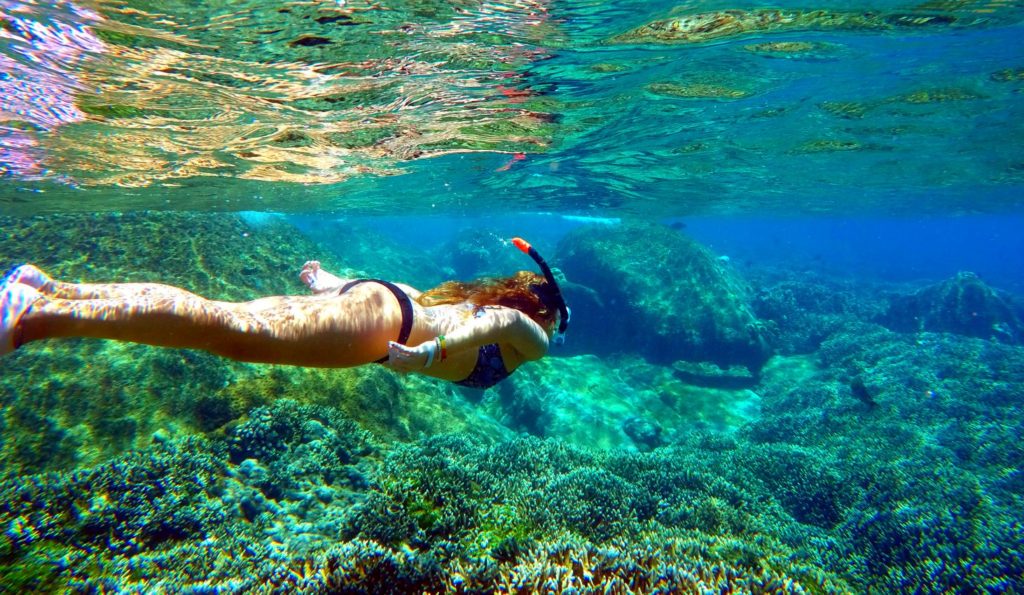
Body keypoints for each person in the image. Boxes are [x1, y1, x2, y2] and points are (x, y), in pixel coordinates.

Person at [0, 238, 570, 389]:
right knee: (220, 328)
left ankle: (52, 289)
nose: (556, 336)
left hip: (382, 302)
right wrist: (430, 355)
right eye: (559, 323)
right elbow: (497, 326)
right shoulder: (530, 339)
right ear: (547, 312)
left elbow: (402, 291)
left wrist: (332, 282)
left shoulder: (467, 298)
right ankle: (34, 318)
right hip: (387, 328)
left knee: (221, 316)